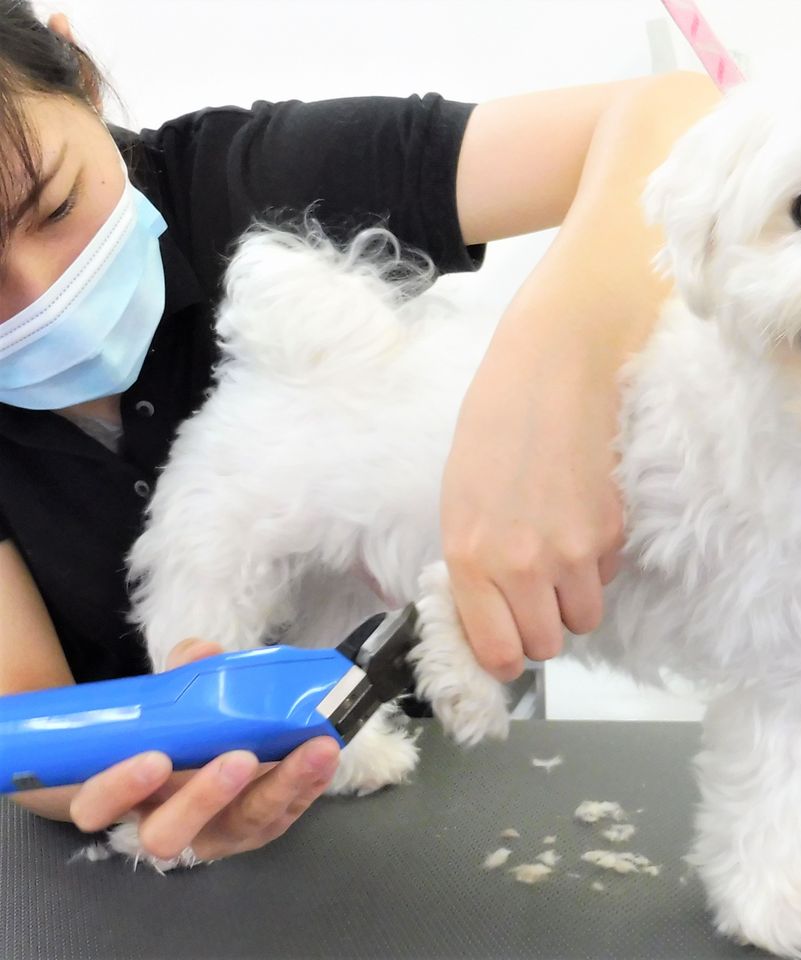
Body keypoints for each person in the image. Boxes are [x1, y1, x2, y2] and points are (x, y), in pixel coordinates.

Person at [0, 3, 718, 863]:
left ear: (79, 76)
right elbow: (25, 730)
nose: (38, 290)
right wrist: (145, 779)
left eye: (55, 206)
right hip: (122, 853)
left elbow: (684, 117)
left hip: (438, 799)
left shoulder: (261, 180)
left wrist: (561, 375)